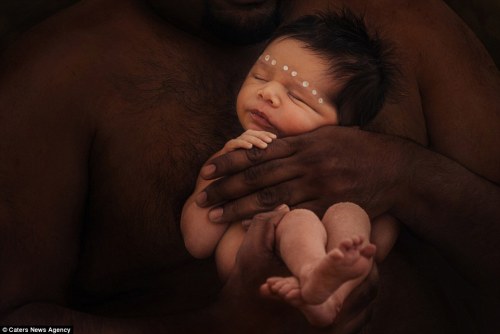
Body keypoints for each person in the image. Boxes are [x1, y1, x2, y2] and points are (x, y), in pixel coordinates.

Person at [0, 0, 499, 333]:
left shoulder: (411, 22)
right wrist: (222, 325)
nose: (269, 93)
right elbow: (20, 325)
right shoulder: (63, 68)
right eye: (262, 75)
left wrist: (409, 176)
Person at [181, 11, 399, 327]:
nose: (267, 93)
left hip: (323, 282)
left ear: (346, 131)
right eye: (260, 76)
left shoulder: (356, 173)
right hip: (252, 271)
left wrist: (366, 232)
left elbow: (384, 232)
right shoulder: (236, 156)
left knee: (353, 213)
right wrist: (215, 177)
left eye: (296, 96)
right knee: (298, 218)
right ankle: (314, 276)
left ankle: (332, 294)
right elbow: (197, 243)